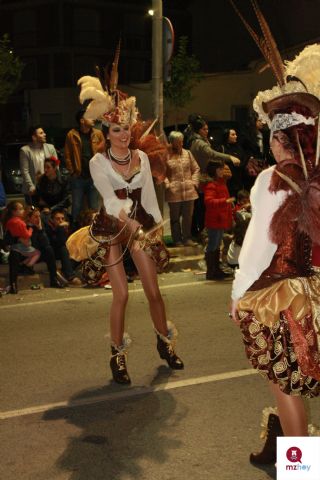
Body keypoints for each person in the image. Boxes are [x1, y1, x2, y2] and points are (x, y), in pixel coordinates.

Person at [230, 38, 320, 466]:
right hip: (311, 290)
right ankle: (285, 450)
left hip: (278, 293)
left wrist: (237, 296)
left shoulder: (270, 178)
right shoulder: (315, 177)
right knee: (294, 378)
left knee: (284, 387)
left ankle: (301, 470)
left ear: (282, 138)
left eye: (272, 135)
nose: (269, 143)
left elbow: (257, 247)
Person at [69, 53, 184, 385]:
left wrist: (154, 230)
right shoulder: (97, 162)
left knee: (153, 291)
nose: (121, 135)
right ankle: (117, 356)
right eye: (116, 129)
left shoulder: (143, 158)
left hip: (137, 229)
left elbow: (148, 198)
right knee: (120, 295)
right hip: (112, 228)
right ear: (108, 130)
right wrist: (131, 225)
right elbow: (109, 199)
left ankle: (165, 343)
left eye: (125, 129)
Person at [189, 117, 240, 240]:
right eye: (204, 129)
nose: (207, 131)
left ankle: (200, 232)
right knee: (200, 207)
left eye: (207, 129)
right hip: (201, 178)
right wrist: (229, 157)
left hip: (203, 177)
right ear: (198, 130)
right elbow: (211, 154)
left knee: (200, 207)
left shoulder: (201, 140)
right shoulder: (199, 142)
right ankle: (200, 232)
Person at [64, 109, 105, 228]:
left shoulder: (98, 134)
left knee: (94, 207)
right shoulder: (71, 135)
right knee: (76, 206)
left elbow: (104, 153)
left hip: (94, 176)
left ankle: (96, 231)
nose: (93, 119)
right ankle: (75, 232)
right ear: (82, 120)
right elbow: (67, 155)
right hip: (78, 176)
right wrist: (72, 171)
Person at [164, 131, 200, 246]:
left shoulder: (188, 153)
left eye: (182, 141)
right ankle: (177, 240)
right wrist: (167, 184)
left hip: (189, 191)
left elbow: (196, 169)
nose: (181, 143)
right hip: (174, 192)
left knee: (188, 217)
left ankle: (187, 238)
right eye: (178, 141)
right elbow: (161, 172)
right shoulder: (166, 155)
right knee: (174, 218)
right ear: (172, 142)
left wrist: (194, 182)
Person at [202, 161, 234, 280]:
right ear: (214, 171)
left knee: (216, 245)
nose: (222, 171)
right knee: (213, 245)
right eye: (220, 169)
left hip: (220, 220)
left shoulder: (221, 183)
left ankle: (216, 269)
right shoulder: (212, 185)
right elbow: (208, 201)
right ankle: (211, 271)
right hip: (215, 220)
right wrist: (224, 201)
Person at [3, 201, 41, 293]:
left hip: (20, 248)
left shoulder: (14, 222)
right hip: (16, 248)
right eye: (20, 209)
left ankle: (16, 280)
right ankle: (15, 281)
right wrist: (28, 232)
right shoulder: (17, 222)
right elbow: (24, 236)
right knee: (18, 254)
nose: (23, 211)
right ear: (14, 212)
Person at [20, 126, 57, 205]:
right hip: (32, 187)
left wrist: (55, 184)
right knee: (33, 212)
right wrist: (31, 186)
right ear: (34, 137)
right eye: (41, 133)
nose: (45, 134)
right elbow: (25, 171)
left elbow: (56, 166)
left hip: (48, 187)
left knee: (49, 212)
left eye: (44, 132)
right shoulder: (25, 150)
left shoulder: (50, 148)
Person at [45, 209, 82, 286]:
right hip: (55, 251)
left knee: (81, 251)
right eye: (57, 219)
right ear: (52, 220)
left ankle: (63, 271)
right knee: (63, 248)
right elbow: (60, 242)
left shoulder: (68, 227)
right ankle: (70, 276)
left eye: (62, 218)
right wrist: (60, 229)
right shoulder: (49, 229)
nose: (60, 221)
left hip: (67, 251)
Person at [218, 128, 246, 197]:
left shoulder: (239, 148)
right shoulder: (222, 148)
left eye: (235, 134)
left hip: (239, 180)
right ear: (227, 136)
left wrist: (240, 164)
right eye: (233, 135)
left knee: (238, 201)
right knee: (229, 200)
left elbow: (244, 159)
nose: (236, 136)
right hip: (227, 181)